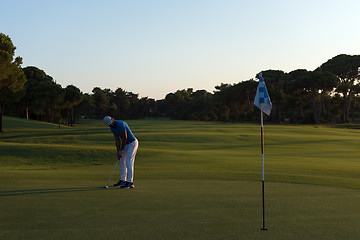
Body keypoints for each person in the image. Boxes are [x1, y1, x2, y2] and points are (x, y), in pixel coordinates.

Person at [103, 116, 138, 189]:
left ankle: (130, 182)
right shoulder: (112, 128)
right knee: (121, 160)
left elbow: (124, 138)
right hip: (126, 144)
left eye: (111, 123)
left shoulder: (121, 124)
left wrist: (122, 149)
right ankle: (123, 180)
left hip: (132, 143)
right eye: (109, 125)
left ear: (112, 119)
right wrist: (118, 152)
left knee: (129, 161)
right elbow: (117, 140)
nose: (111, 125)